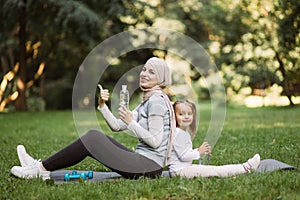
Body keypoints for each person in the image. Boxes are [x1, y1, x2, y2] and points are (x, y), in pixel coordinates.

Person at [11, 57, 176, 180]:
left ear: (161, 78)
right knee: (96, 137)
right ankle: (37, 166)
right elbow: (117, 126)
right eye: (144, 69)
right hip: (144, 162)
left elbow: (154, 140)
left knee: (92, 138)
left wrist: (131, 122)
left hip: (148, 167)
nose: (144, 74)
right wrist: (103, 105)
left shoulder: (156, 102)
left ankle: (39, 169)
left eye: (151, 72)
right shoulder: (149, 100)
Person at [168, 100, 260, 178]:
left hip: (183, 169)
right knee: (215, 170)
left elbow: (183, 152)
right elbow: (183, 156)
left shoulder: (183, 132)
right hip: (179, 171)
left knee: (210, 170)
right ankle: (246, 168)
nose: (186, 116)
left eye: (189, 113)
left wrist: (199, 150)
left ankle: (244, 167)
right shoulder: (178, 133)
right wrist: (199, 152)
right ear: (174, 116)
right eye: (181, 114)